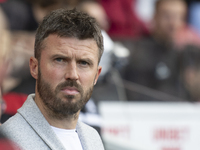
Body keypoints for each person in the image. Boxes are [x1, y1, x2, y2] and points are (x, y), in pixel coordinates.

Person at [0, 8, 104, 150]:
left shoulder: (93, 138)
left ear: (96, 75)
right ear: (34, 67)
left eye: (84, 63)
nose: (73, 74)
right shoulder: (10, 141)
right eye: (60, 60)